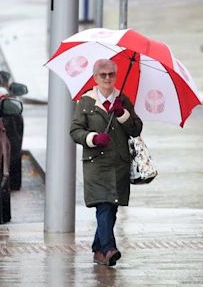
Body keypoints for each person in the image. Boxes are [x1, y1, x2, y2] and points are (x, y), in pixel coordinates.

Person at [70, 59, 143, 267]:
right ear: (95, 78)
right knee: (103, 205)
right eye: (103, 75)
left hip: (118, 164)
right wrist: (92, 138)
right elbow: (75, 131)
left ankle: (98, 250)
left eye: (111, 74)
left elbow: (136, 129)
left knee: (111, 207)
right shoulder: (86, 101)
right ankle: (110, 248)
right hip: (95, 164)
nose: (108, 78)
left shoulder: (123, 100)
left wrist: (122, 114)